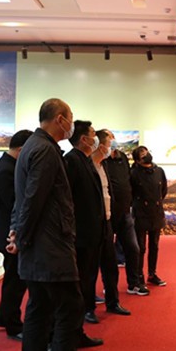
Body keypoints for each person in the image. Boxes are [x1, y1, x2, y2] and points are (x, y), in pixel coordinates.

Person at [8, 98, 97, 351]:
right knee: (70, 309)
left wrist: (18, 233)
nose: (71, 123)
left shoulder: (32, 147)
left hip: (38, 248)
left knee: (38, 311)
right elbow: (33, 199)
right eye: (70, 117)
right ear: (60, 119)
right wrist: (22, 237)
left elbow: (22, 199)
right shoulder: (45, 150)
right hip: (50, 248)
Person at [64, 122, 130, 325]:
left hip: (105, 223)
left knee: (110, 266)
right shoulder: (74, 161)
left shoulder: (103, 165)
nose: (111, 146)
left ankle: (113, 302)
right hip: (86, 227)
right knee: (88, 270)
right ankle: (88, 308)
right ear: (86, 140)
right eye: (94, 134)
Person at [0, 129, 32, 341]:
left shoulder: (8, 166)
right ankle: (12, 324)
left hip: (8, 234)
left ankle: (4, 317)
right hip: (10, 236)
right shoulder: (7, 170)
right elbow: (13, 205)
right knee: (15, 282)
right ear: (22, 149)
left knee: (13, 279)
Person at [99, 130, 145, 296]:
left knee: (133, 248)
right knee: (108, 255)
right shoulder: (100, 160)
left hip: (125, 213)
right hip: (108, 214)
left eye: (113, 138)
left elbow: (127, 180)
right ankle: (110, 287)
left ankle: (134, 284)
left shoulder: (123, 158)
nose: (113, 141)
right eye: (110, 139)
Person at [130, 145, 168, 288]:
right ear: (137, 161)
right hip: (140, 213)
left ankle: (152, 274)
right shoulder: (134, 173)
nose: (146, 156)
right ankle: (139, 277)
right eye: (142, 155)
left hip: (156, 212)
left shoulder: (159, 171)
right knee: (140, 247)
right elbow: (131, 193)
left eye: (146, 153)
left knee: (154, 245)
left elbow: (163, 190)